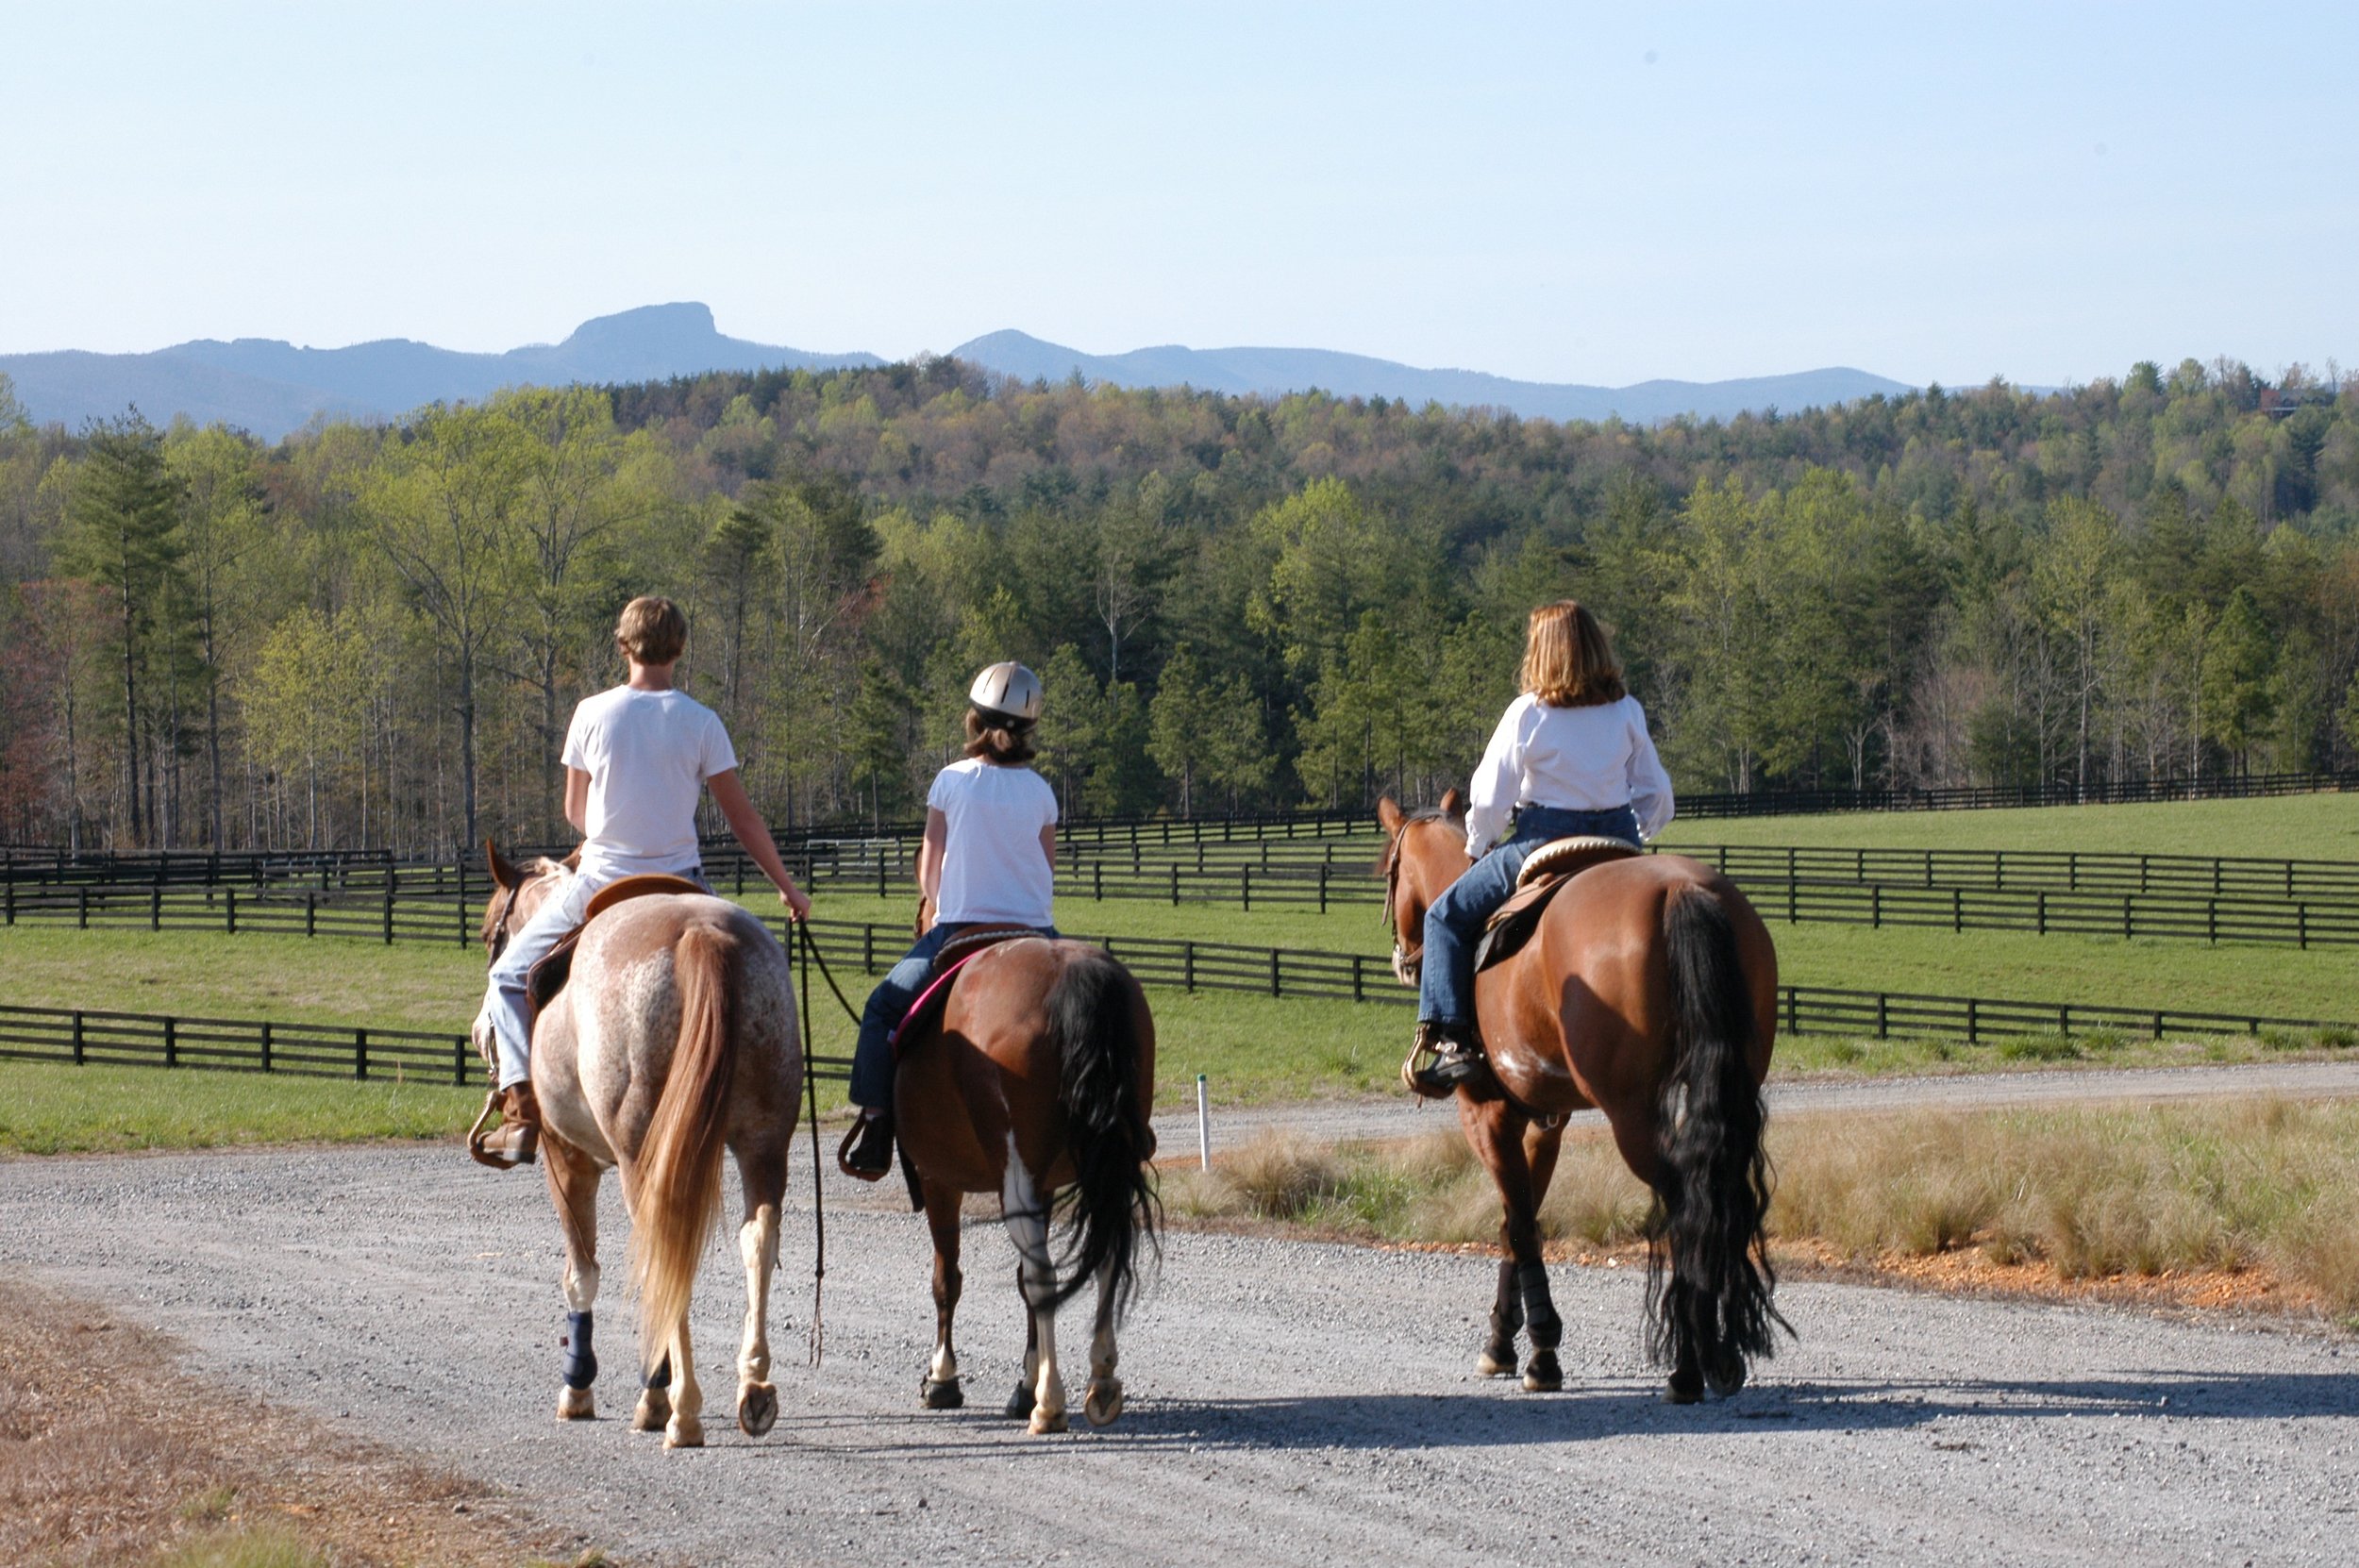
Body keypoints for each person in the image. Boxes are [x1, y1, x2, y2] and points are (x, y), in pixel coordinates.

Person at [474, 596, 811, 1167]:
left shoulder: (592, 712)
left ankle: (522, 1111)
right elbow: (742, 817)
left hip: (601, 879)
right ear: (679, 648)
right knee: (759, 965)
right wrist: (787, 887)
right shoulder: (702, 721)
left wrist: (612, 822)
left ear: (623, 644)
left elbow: (575, 812)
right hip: (681, 882)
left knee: (508, 976)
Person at [1403, 600, 1674, 1098]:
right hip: (1617, 843)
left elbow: (1489, 799)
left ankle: (1453, 1043)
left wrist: (1480, 844)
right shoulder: (1627, 710)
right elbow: (1658, 796)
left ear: (1542, 653)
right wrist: (1637, 833)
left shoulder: (1527, 713)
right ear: (1595, 646)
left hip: (1544, 839)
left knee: (1444, 918)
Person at [839, 661, 1059, 1179]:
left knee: (882, 1009)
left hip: (960, 932)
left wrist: (937, 904)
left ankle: (875, 1126)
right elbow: (1046, 869)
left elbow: (930, 867)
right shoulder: (1042, 792)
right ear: (1029, 729)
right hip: (1037, 933)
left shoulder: (951, 781)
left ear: (974, 722)